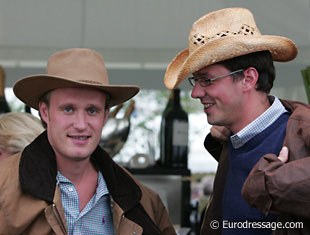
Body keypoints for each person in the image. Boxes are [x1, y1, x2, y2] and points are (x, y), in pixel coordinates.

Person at [163, 7, 310, 235]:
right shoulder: (232, 142)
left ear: (248, 79)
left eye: (207, 80)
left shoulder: (299, 136)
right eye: (196, 80)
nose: (195, 93)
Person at [0, 48, 176, 235]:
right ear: (45, 112)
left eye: (92, 110)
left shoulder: (143, 202)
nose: (81, 124)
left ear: (105, 116)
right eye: (68, 109)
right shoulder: (4, 188)